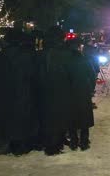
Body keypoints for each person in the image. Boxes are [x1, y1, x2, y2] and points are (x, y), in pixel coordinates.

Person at [0, 30, 39, 155]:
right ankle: (23, 144)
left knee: (8, 119)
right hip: (25, 93)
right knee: (24, 118)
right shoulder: (28, 56)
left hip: (4, 95)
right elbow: (34, 76)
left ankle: (11, 143)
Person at [37, 26, 72, 155]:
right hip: (62, 91)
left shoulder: (39, 55)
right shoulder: (67, 55)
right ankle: (57, 142)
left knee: (47, 117)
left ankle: (49, 142)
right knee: (59, 117)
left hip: (43, 92)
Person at [66, 38, 95, 151]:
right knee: (84, 116)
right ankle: (84, 141)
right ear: (79, 47)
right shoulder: (85, 59)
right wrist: (90, 89)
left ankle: (73, 141)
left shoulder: (66, 60)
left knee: (71, 116)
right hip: (83, 91)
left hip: (70, 92)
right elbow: (92, 75)